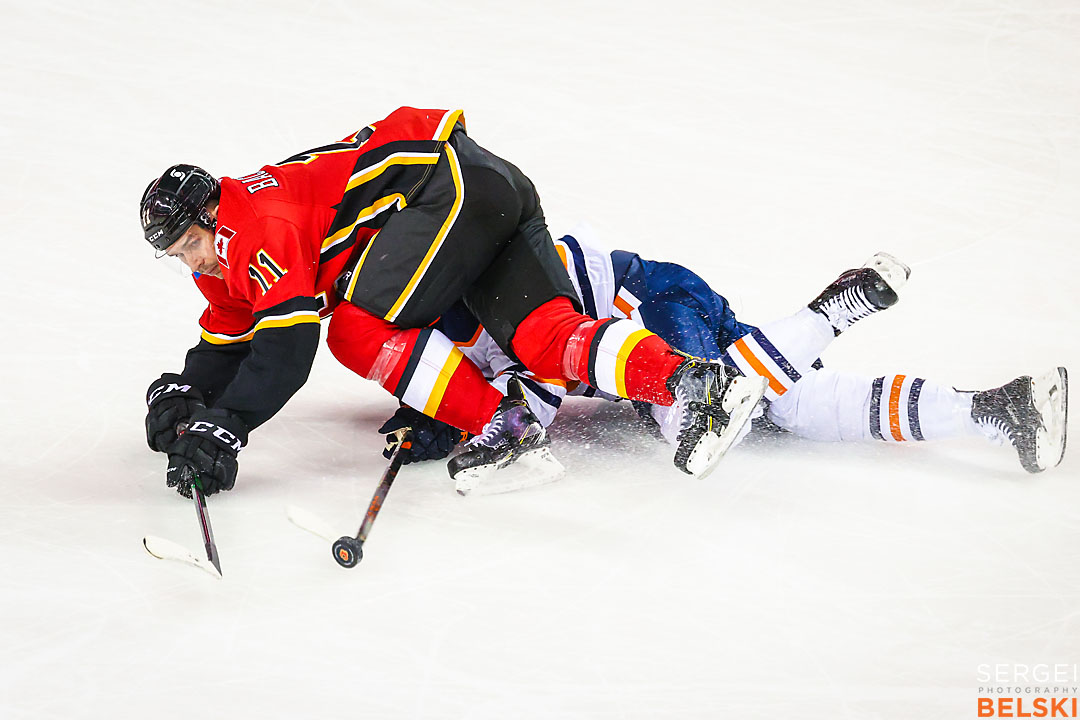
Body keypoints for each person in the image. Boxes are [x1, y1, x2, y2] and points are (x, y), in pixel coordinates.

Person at [139, 107, 771, 498]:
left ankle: (507, 426)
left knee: (353, 330)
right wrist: (190, 397)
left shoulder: (252, 226)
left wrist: (228, 428)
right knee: (548, 336)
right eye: (178, 253)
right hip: (486, 186)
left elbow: (286, 350)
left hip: (446, 190)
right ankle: (695, 382)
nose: (192, 259)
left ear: (212, 212)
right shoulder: (224, 257)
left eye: (192, 241)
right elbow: (231, 336)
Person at [384, 226, 1068, 491]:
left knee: (697, 414)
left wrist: (478, 426)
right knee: (789, 406)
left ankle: (828, 312)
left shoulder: (470, 294)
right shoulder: (442, 306)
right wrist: (437, 420)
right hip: (671, 306)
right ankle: (996, 409)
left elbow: (546, 368)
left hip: (653, 306)